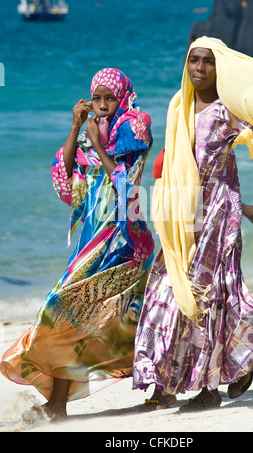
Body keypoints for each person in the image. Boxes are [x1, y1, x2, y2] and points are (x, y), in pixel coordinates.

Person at [133, 37, 253, 412]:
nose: (199, 68)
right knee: (165, 293)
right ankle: (164, 386)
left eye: (207, 62)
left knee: (210, 298)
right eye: (193, 61)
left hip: (219, 214)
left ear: (220, 67)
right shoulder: (177, 105)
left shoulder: (227, 110)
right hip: (183, 217)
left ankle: (210, 387)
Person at [0, 68, 155, 421]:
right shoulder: (86, 133)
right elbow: (65, 178)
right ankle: (57, 403)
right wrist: (75, 128)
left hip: (123, 237)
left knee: (129, 316)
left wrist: (98, 144)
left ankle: (163, 386)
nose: (102, 105)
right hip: (92, 236)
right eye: (96, 98)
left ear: (123, 97)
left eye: (109, 98)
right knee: (68, 313)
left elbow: (124, 182)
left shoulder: (136, 126)